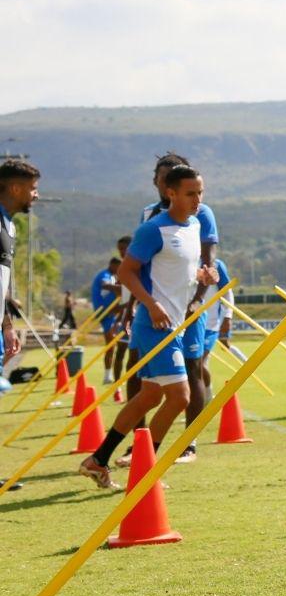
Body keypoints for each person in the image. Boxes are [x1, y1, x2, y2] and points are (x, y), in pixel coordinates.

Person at [79, 166, 216, 489]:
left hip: (177, 324)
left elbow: (180, 271)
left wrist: (202, 277)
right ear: (170, 193)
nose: (197, 200)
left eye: (200, 192)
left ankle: (97, 460)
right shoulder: (154, 229)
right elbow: (127, 273)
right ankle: (145, 469)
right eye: (190, 193)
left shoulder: (195, 225)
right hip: (155, 324)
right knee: (180, 397)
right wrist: (151, 305)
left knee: (150, 397)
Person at [117, 152, 220, 466]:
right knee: (138, 373)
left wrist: (196, 299)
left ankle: (188, 443)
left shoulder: (202, 214)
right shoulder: (150, 217)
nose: (161, 185)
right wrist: (136, 305)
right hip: (154, 310)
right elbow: (139, 266)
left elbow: (206, 261)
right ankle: (139, 442)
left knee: (191, 373)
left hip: (188, 307)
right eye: (160, 179)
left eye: (166, 178)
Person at [0, 158, 40, 491]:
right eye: (32, 188)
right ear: (15, 188)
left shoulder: (9, 225)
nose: (35, 195)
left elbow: (3, 279)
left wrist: (7, 325)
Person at [199, 258, 234, 394]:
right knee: (194, 365)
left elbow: (227, 291)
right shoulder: (183, 259)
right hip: (187, 323)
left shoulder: (217, 264)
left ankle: (207, 396)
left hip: (211, 324)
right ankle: (200, 401)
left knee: (198, 363)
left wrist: (228, 316)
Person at [90, 257, 123, 383]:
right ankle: (108, 375)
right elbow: (105, 285)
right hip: (104, 312)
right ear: (113, 265)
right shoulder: (105, 275)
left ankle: (109, 375)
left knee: (113, 345)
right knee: (111, 344)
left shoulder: (113, 277)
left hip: (112, 312)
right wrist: (120, 288)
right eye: (119, 267)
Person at [110, 235, 133, 400]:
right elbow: (126, 296)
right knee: (120, 354)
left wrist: (125, 307)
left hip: (138, 317)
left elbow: (138, 295)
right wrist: (118, 317)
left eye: (124, 249)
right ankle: (117, 389)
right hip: (126, 318)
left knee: (135, 357)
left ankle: (136, 391)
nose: (121, 252)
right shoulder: (122, 268)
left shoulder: (139, 266)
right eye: (119, 250)